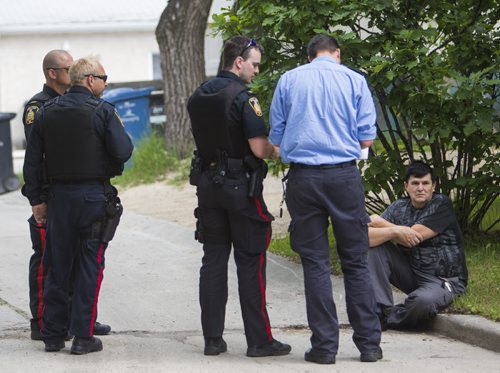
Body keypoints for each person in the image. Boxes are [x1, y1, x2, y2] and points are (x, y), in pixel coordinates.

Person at [269, 34, 382, 364]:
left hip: (304, 179)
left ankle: (324, 347)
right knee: (356, 261)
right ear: (337, 54)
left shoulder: (289, 80)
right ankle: (369, 346)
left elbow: (276, 136)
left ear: (308, 57)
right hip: (344, 178)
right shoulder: (354, 80)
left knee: (315, 263)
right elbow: (366, 137)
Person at [187, 36, 291, 358]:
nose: (257, 71)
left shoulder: (198, 94)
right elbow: (259, 148)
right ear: (238, 62)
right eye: (255, 64)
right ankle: (259, 341)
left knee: (213, 261)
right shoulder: (244, 98)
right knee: (250, 262)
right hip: (240, 191)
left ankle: (213, 340)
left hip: (207, 187)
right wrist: (282, 151)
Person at [22, 57, 133, 354]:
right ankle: (83, 336)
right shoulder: (103, 111)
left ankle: (54, 335)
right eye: (103, 77)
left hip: (58, 200)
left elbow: (32, 161)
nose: (105, 83)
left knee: (57, 264)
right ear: (89, 80)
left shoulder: (46, 113)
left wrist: (37, 200)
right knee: (89, 265)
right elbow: (123, 151)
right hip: (93, 198)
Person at [367, 161, 468, 330]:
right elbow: (364, 238)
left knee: (422, 302)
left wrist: (379, 222)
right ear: (406, 186)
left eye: (425, 183)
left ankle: (390, 318)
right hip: (411, 273)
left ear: (433, 186)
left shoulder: (441, 204)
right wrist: (394, 232)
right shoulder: (399, 207)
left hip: (443, 280)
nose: (420, 188)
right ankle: (380, 310)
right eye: (415, 183)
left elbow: (412, 237)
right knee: (375, 248)